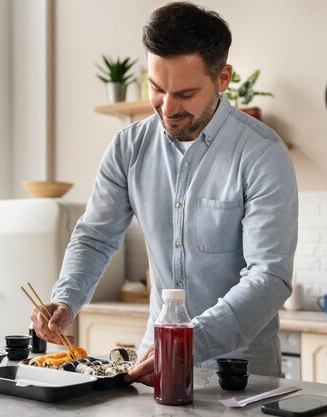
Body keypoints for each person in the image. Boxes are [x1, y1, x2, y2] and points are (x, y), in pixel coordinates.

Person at [31, 1, 298, 386]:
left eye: (186, 94)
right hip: (152, 361)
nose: (167, 108)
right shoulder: (128, 147)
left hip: (239, 374)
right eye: (157, 89)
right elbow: (96, 236)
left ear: (223, 78)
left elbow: (269, 276)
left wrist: (189, 340)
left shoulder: (261, 153)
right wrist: (66, 298)